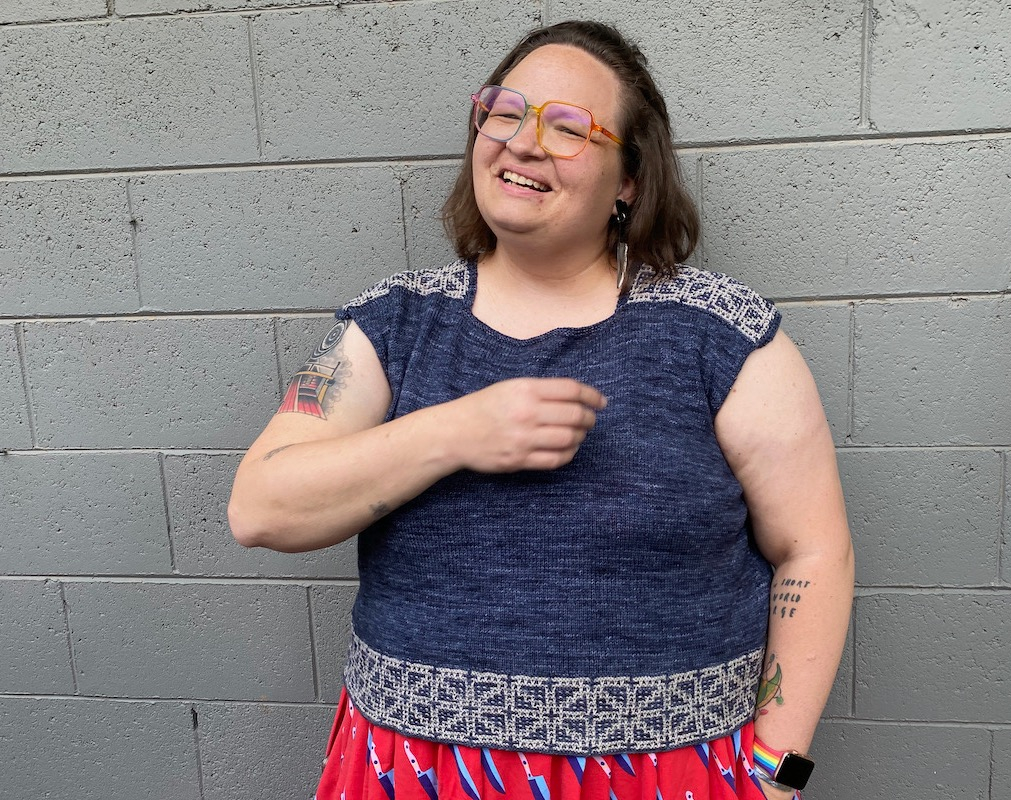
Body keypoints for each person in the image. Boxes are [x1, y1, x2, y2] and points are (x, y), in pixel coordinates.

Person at [228, 20, 853, 800]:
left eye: (567, 128)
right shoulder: (394, 325)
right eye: (506, 112)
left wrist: (778, 773)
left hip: (663, 776)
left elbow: (815, 553)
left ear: (629, 179)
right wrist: (458, 429)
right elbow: (261, 509)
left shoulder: (720, 334)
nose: (524, 143)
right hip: (415, 771)